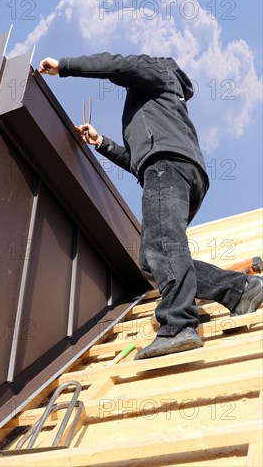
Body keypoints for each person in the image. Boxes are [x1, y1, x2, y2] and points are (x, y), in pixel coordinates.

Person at [38, 53, 263, 359]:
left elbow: (117, 65)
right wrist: (102, 142)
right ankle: (240, 290)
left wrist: (63, 66)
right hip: (178, 173)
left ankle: (179, 326)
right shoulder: (159, 107)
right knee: (152, 259)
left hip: (166, 169)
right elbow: (138, 163)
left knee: (162, 249)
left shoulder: (156, 70)